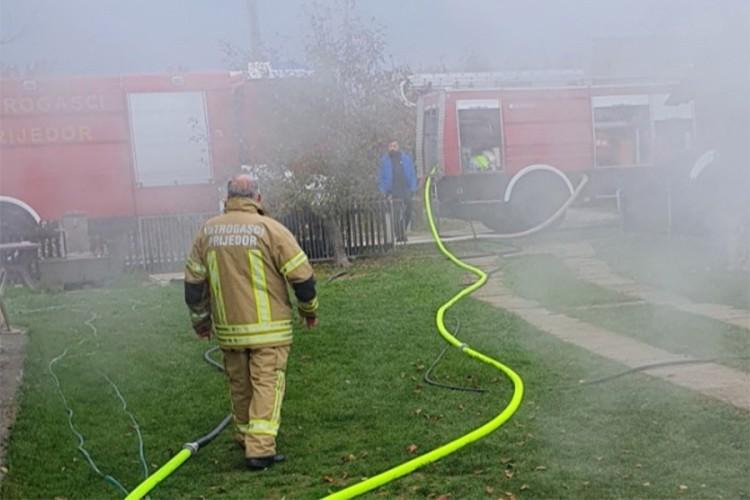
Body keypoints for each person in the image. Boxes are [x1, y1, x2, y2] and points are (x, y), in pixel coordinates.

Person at [184, 174, 318, 471]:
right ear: (258, 198)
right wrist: (309, 310)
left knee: (240, 385)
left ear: (227, 199)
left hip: (230, 331)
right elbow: (303, 278)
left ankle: (246, 436)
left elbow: (193, 286)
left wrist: (201, 322)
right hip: (269, 331)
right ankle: (259, 450)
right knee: (266, 384)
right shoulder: (271, 229)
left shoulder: (207, 232)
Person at [378, 140, 417, 241]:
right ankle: (399, 234)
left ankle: (402, 230)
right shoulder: (384, 161)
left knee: (409, 210)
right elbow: (381, 177)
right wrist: (383, 191)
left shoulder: (406, 159)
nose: (392, 148)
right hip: (393, 190)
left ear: (398, 146)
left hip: (405, 189)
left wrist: (413, 188)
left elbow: (412, 174)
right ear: (388, 147)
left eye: (394, 146)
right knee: (395, 213)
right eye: (390, 146)